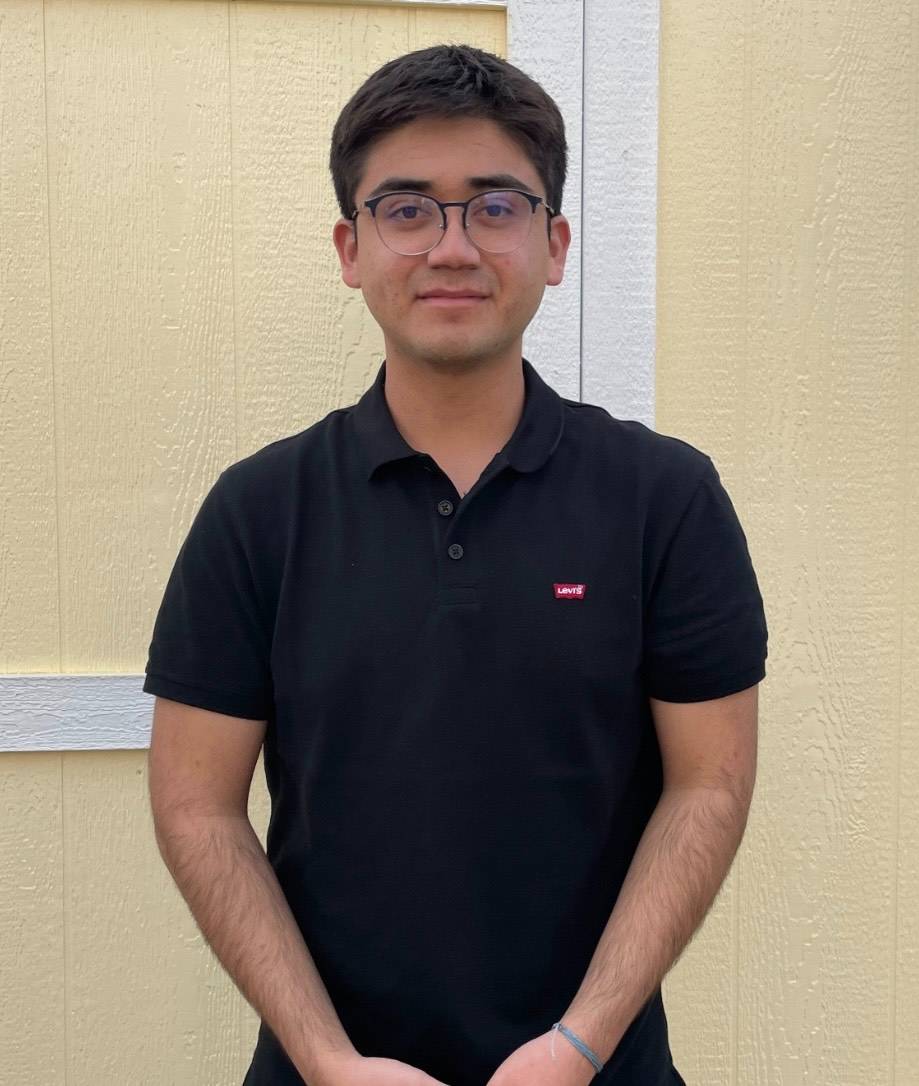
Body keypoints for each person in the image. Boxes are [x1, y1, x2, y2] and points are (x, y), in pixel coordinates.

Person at [144, 44, 767, 1086]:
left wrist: (577, 1045)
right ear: (350, 247)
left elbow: (710, 783)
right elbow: (195, 804)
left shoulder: (663, 498)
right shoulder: (260, 512)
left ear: (554, 241)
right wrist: (328, 1059)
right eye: (406, 209)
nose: (451, 246)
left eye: (494, 206)